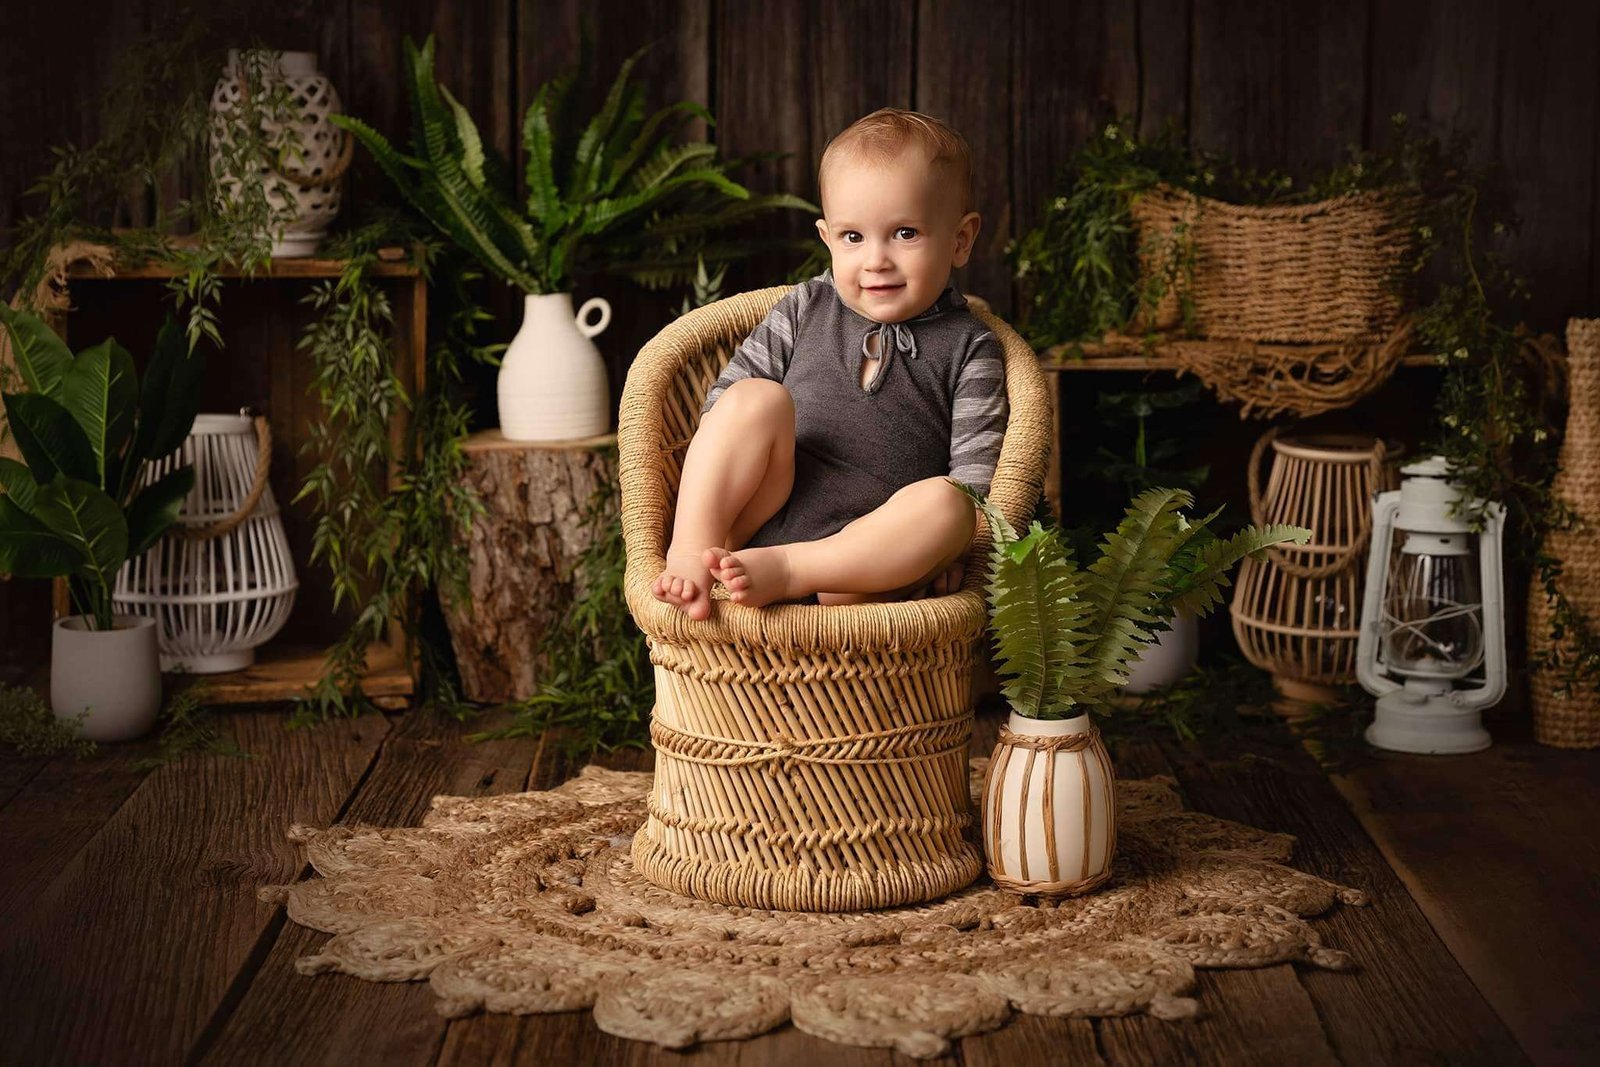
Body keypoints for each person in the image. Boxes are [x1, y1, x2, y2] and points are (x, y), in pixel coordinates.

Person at [651, 108, 1008, 621]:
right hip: (759, 521)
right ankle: (690, 554)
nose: (876, 260)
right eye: (853, 237)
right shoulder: (804, 308)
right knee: (753, 397)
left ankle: (796, 570)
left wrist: (948, 553)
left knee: (952, 503)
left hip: (861, 561)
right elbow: (721, 409)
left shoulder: (970, 345)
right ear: (827, 238)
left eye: (905, 233)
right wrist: (708, 528)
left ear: (960, 239)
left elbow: (978, 479)